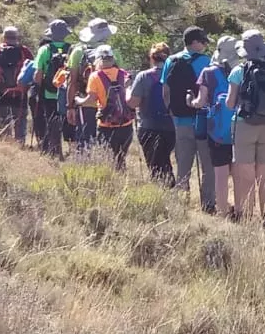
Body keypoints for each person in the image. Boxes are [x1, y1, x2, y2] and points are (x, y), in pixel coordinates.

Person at [228, 30, 265, 227]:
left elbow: (230, 102)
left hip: (244, 125)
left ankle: (247, 217)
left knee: (246, 174)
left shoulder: (238, 71)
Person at [164, 26, 214, 211]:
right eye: (202, 41)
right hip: (202, 120)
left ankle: (181, 202)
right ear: (195, 42)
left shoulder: (171, 60)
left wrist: (172, 111)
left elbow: (166, 90)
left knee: (183, 162)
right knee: (207, 164)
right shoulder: (207, 62)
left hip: (180, 120)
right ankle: (208, 203)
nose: (204, 44)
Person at [191, 36, 240, 218]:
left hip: (217, 131)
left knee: (220, 173)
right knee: (237, 173)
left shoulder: (208, 73)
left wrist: (191, 101)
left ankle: (222, 211)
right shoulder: (240, 71)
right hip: (239, 129)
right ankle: (240, 209)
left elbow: (200, 102)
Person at [76, 45, 135, 170]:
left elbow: (90, 100)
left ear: (97, 60)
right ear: (113, 59)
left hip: (106, 125)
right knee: (121, 158)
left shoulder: (95, 76)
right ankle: (122, 178)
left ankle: (113, 182)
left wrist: (78, 101)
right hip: (126, 124)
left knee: (110, 159)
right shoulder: (124, 74)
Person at [128, 42, 176, 185]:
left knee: (154, 164)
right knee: (164, 158)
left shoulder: (143, 76)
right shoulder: (174, 75)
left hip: (148, 126)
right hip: (170, 126)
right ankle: (169, 185)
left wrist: (126, 90)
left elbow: (133, 103)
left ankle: (163, 189)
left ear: (151, 58)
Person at [67, 18, 118, 154]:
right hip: (110, 105)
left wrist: (70, 106)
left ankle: (84, 166)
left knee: (85, 140)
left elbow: (72, 82)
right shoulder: (113, 53)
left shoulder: (78, 52)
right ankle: (108, 168)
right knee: (107, 141)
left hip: (86, 102)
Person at [32, 20, 73, 157]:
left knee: (52, 121)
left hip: (49, 93)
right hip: (68, 93)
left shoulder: (45, 49)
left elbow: (38, 73)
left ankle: (55, 152)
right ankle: (73, 151)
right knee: (69, 122)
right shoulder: (72, 49)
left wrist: (37, 88)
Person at [0, 26, 32, 146]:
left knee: (3, 117)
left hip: (1, 90)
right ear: (17, 37)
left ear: (4, 37)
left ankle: (5, 141)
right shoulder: (24, 51)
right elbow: (33, 68)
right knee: (20, 118)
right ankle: (20, 142)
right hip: (20, 90)